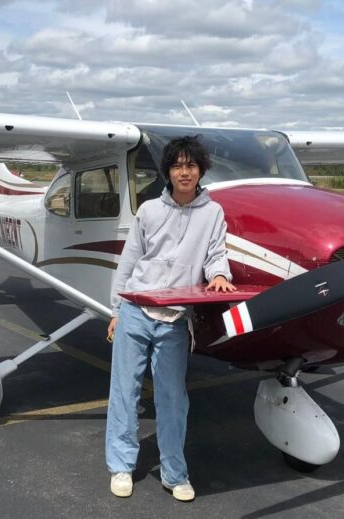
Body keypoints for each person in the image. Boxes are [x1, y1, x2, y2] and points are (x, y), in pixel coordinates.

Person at [106, 135, 236, 501]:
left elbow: (215, 253)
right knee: (124, 393)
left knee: (173, 399)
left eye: (190, 165)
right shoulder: (148, 211)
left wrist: (219, 275)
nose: (184, 172)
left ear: (200, 171)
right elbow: (129, 262)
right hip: (135, 310)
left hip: (175, 318)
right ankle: (121, 465)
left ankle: (175, 473)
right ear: (167, 172)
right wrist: (116, 310)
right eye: (177, 166)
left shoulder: (213, 213)